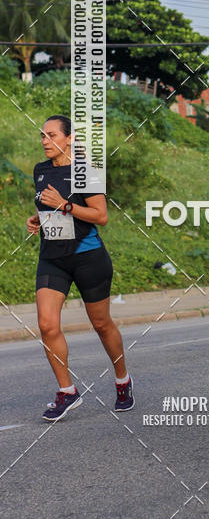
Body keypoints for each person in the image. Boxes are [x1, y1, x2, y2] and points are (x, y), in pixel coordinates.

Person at [26, 115, 134, 421]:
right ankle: (67, 391)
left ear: (69, 138)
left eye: (51, 135)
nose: (45, 140)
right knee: (47, 325)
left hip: (88, 256)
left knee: (101, 324)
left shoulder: (86, 171)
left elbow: (101, 216)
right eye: (42, 136)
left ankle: (123, 380)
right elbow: (44, 207)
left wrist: (65, 205)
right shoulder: (41, 170)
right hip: (52, 257)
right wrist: (37, 219)